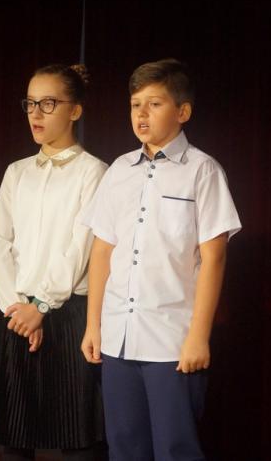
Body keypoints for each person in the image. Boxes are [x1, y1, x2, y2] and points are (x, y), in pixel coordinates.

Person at [80, 58, 241, 460]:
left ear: (182, 112)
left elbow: (214, 258)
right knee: (124, 446)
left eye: (154, 104)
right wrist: (93, 324)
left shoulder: (203, 171)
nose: (142, 114)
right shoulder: (119, 169)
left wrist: (198, 336)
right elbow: (102, 251)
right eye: (135, 105)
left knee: (175, 449)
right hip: (118, 337)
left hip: (171, 341)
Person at [0, 63, 108, 461]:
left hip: (69, 314)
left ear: (75, 110)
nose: (35, 113)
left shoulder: (94, 172)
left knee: (78, 435)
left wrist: (41, 306)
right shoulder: (17, 172)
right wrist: (17, 309)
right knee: (17, 435)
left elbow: (80, 248)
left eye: (48, 103)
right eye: (30, 103)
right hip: (17, 314)